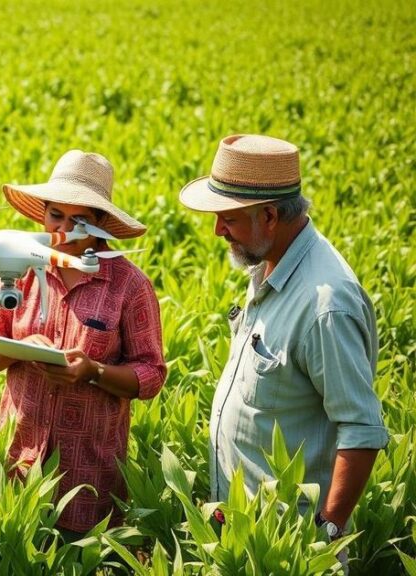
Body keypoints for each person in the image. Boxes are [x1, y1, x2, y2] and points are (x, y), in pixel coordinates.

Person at [179, 134, 388, 542]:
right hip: (243, 531)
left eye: (228, 218)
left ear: (270, 216)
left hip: (289, 543)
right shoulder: (269, 261)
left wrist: (326, 535)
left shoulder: (326, 304)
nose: (218, 230)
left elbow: (361, 429)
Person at [0, 149, 167, 539]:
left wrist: (93, 371)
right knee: (14, 554)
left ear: (100, 224)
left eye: (80, 221)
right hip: (17, 460)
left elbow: (151, 375)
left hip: (89, 476)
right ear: (42, 215)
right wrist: (18, 346)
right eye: (56, 215)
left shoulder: (129, 285)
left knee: (82, 557)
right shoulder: (18, 268)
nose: (64, 229)